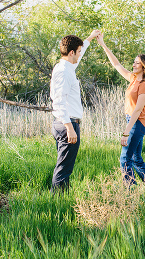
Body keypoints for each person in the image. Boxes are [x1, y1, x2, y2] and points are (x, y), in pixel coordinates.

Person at [95, 34, 145, 185]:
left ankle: (130, 193)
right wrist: (103, 45)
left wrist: (126, 132)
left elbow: (137, 110)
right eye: (134, 62)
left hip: (137, 123)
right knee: (136, 158)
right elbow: (117, 65)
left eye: (137, 63)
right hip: (133, 121)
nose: (134, 65)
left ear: (144, 66)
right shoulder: (133, 79)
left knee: (125, 159)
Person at [49, 30, 99, 193]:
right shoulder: (64, 72)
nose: (79, 55)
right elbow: (59, 101)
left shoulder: (66, 67)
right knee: (63, 169)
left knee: (65, 167)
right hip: (67, 124)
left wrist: (89, 39)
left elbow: (79, 55)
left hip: (65, 123)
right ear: (71, 52)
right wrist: (70, 127)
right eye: (77, 52)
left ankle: (61, 199)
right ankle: (56, 203)